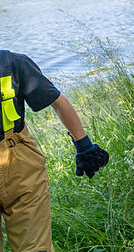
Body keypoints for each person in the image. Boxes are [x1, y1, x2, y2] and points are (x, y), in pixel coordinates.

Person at [1, 49, 110, 252]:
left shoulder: (14, 63)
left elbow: (58, 102)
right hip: (20, 162)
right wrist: (84, 146)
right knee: (35, 247)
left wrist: (84, 146)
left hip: (19, 163)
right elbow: (58, 102)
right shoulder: (13, 62)